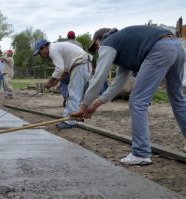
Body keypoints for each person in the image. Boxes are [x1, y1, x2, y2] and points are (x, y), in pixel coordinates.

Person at [71, 25, 186, 165]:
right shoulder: (125, 47)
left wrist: (83, 106)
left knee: (138, 102)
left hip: (159, 48)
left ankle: (141, 153)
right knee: (178, 98)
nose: (98, 52)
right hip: (176, 46)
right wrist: (95, 104)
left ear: (97, 41)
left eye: (96, 49)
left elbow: (99, 77)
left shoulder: (108, 42)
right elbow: (117, 83)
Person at [33, 39, 92, 129]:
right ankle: (71, 118)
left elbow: (59, 69)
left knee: (73, 94)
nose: (41, 56)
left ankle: (70, 122)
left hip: (81, 65)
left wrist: (50, 81)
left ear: (44, 47)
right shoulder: (57, 47)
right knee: (75, 94)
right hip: (84, 65)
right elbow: (65, 69)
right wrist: (58, 80)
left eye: (40, 53)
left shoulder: (53, 50)